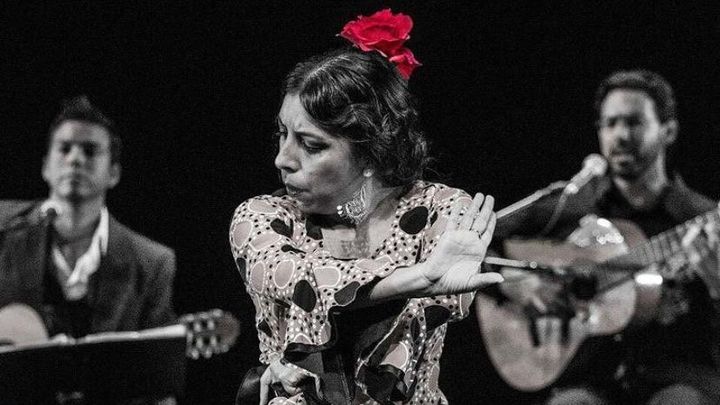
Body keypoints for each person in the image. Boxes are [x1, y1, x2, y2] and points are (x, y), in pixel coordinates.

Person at [229, 11, 503, 404]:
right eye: (282, 134)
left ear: (371, 154)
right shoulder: (262, 218)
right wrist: (418, 278)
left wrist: (432, 282)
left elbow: (440, 306)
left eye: (310, 145)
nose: (282, 159)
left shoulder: (441, 211)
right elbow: (307, 282)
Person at [488, 70, 720, 405]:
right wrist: (516, 284)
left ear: (668, 131)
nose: (621, 135)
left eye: (635, 122)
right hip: (591, 377)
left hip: (680, 377)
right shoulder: (574, 204)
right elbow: (482, 239)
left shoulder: (700, 218)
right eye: (610, 124)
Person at [0, 95, 176, 340]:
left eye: (90, 151)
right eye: (64, 149)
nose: (75, 159)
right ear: (45, 167)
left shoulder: (152, 264)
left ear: (113, 173)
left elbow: (156, 359)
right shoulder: (6, 227)